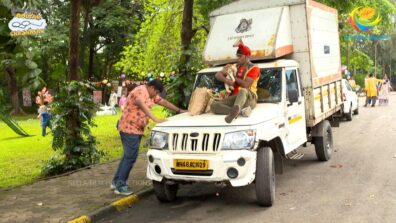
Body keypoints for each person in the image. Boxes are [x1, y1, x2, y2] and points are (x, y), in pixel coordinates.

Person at [111, 79, 187, 195]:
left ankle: (116, 182)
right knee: (130, 157)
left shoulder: (150, 94)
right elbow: (142, 104)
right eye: (156, 92)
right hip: (129, 129)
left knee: (127, 156)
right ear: (151, 88)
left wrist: (179, 110)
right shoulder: (141, 91)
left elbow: (163, 102)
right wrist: (155, 119)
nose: (156, 95)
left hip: (135, 129)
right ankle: (120, 186)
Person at [210, 41, 260, 123]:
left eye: (240, 56)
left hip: (249, 98)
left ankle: (236, 110)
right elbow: (218, 75)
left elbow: (246, 85)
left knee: (243, 91)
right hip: (234, 98)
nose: (237, 58)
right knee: (214, 106)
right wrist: (227, 80)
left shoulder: (254, 68)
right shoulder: (234, 66)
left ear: (247, 56)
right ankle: (239, 112)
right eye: (237, 56)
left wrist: (233, 76)